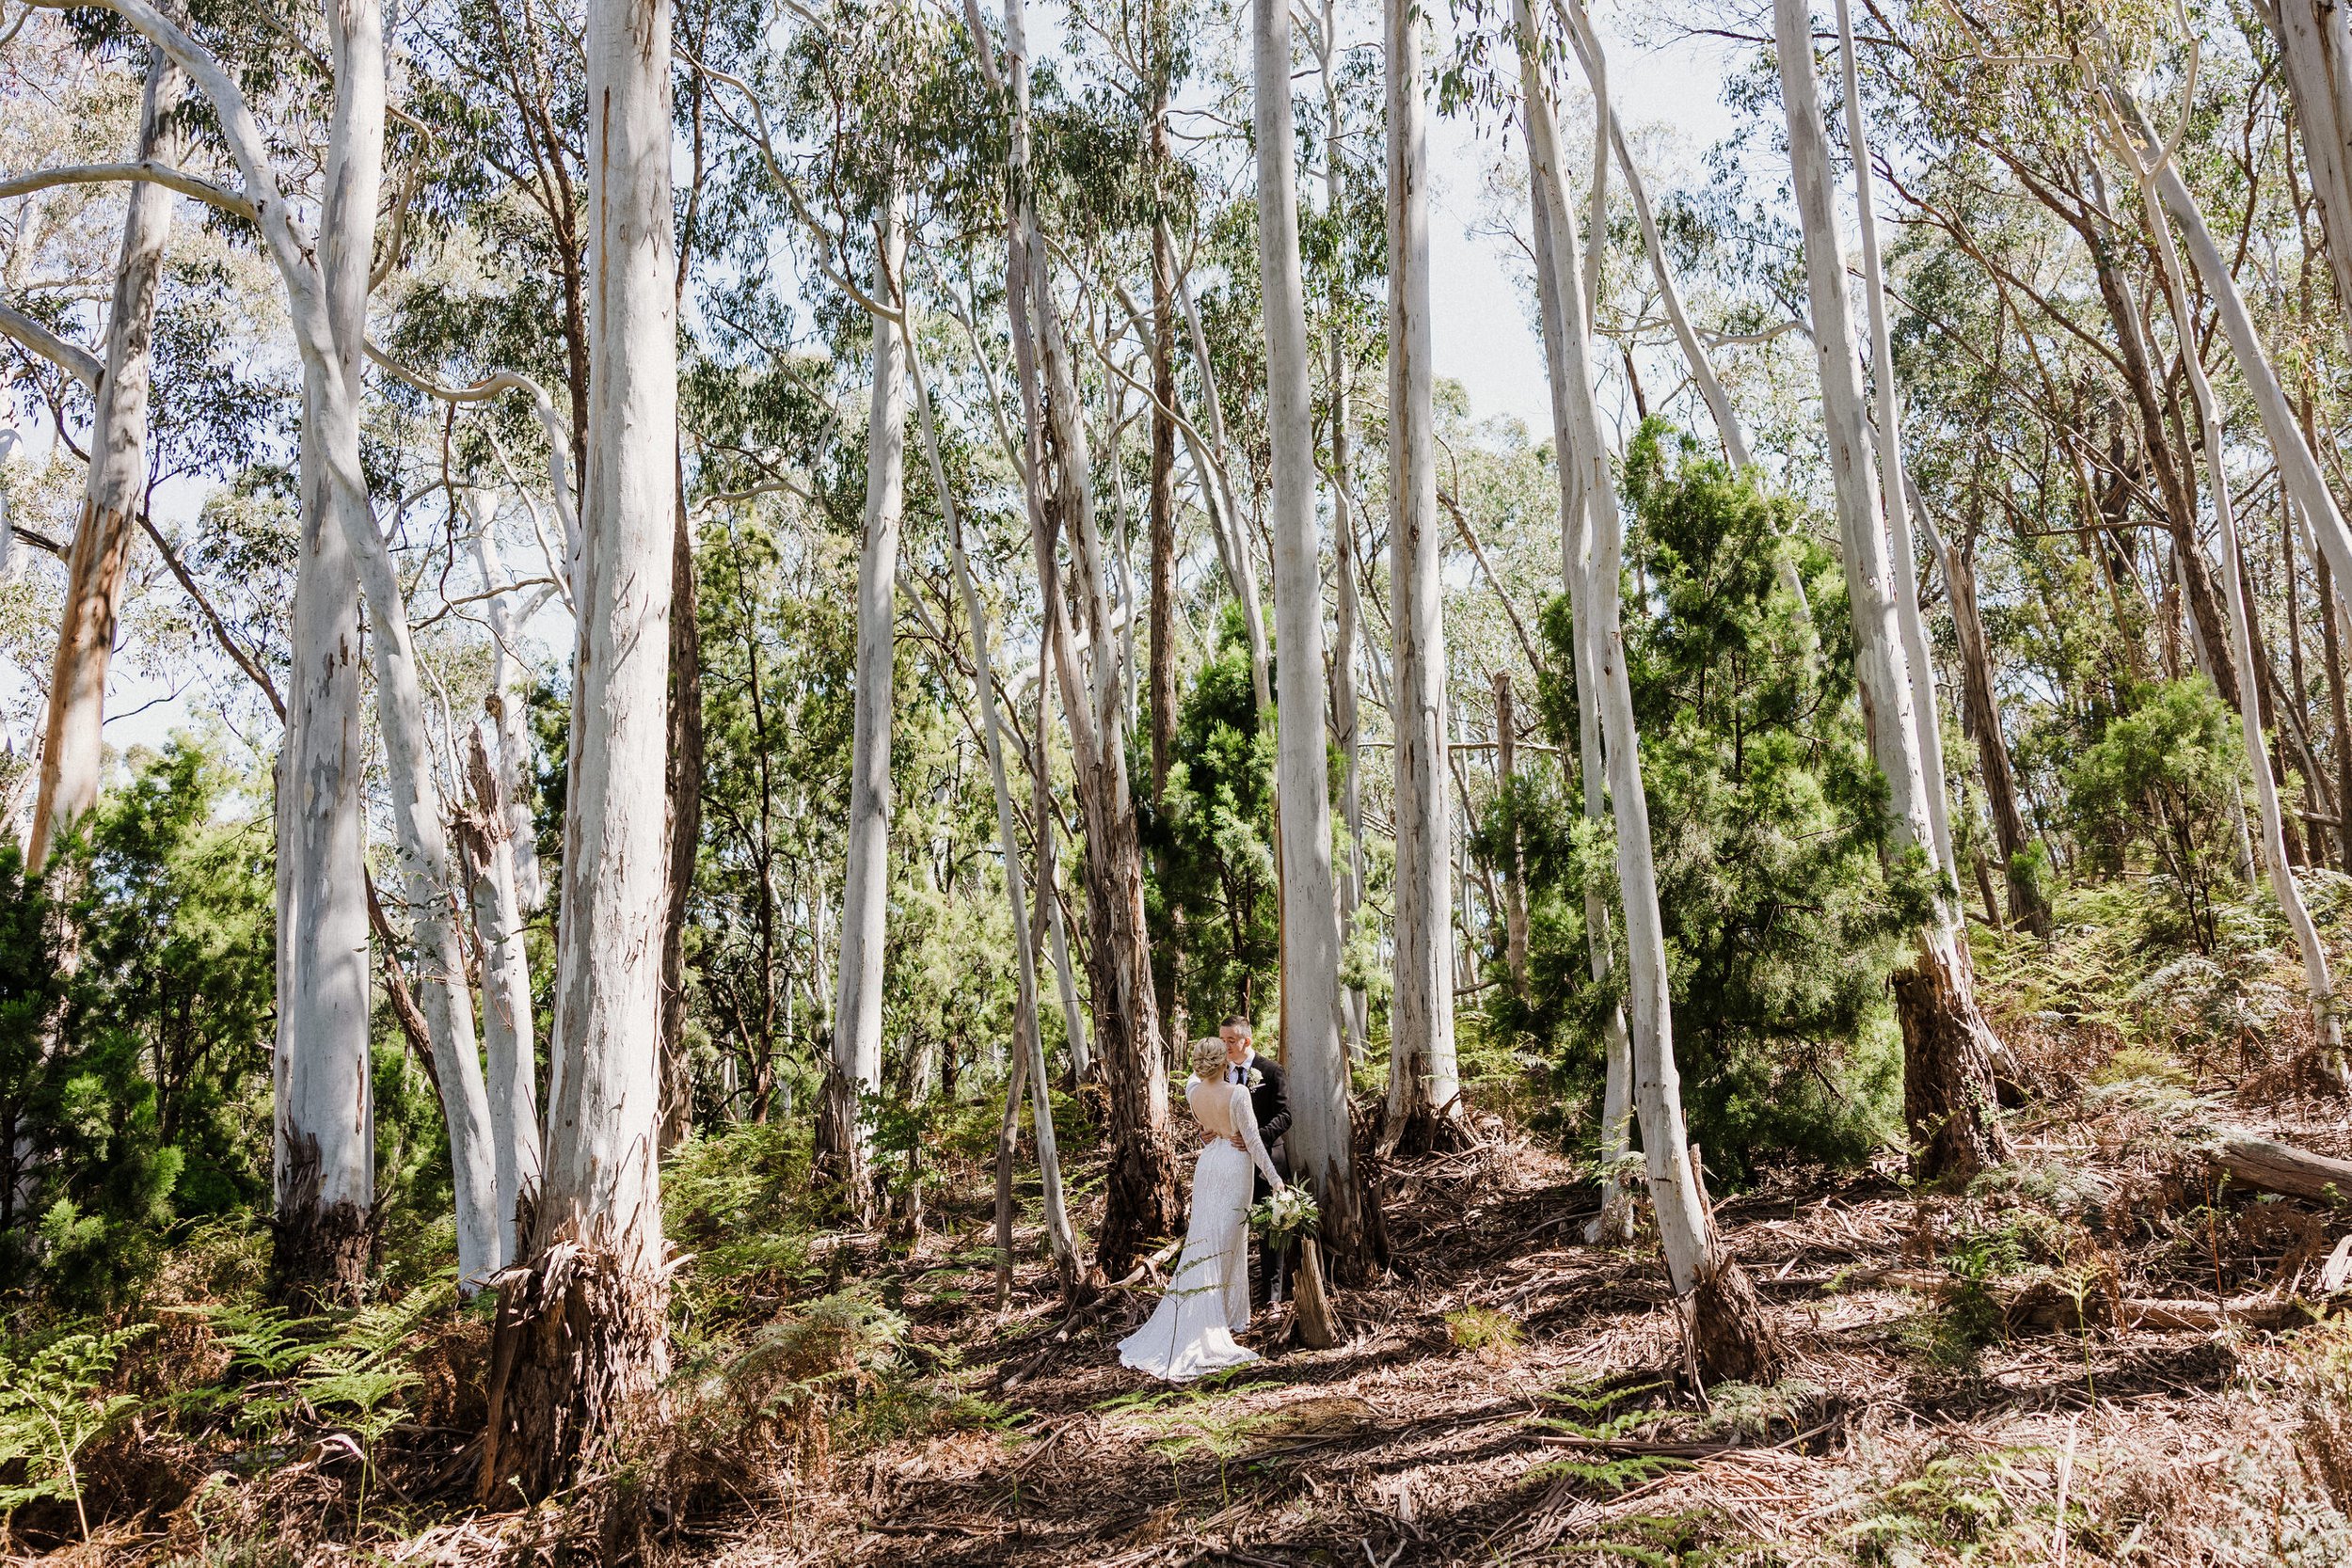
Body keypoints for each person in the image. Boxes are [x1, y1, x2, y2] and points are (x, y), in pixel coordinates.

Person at [1117, 1037, 1288, 1381]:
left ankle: (1224, 1313)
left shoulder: (1193, 1093)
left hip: (1209, 1165)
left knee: (1207, 1239)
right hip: (1235, 1166)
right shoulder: (1237, 1094)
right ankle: (1213, 1320)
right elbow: (1252, 1142)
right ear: (1224, 1059)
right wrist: (1276, 1182)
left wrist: (1209, 1132)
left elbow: (1205, 1130)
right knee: (1226, 1242)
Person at [1220, 1014, 1293, 1308]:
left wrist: (1255, 1138)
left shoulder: (1271, 1071)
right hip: (1231, 1162)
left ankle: (1272, 1298)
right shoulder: (1220, 1073)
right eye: (1222, 1039)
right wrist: (1209, 1133)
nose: (1225, 1046)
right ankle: (1233, 1299)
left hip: (1268, 1161)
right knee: (1232, 1226)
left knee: (1270, 1229)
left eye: (1231, 1040)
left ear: (1246, 1041)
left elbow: (1285, 1116)